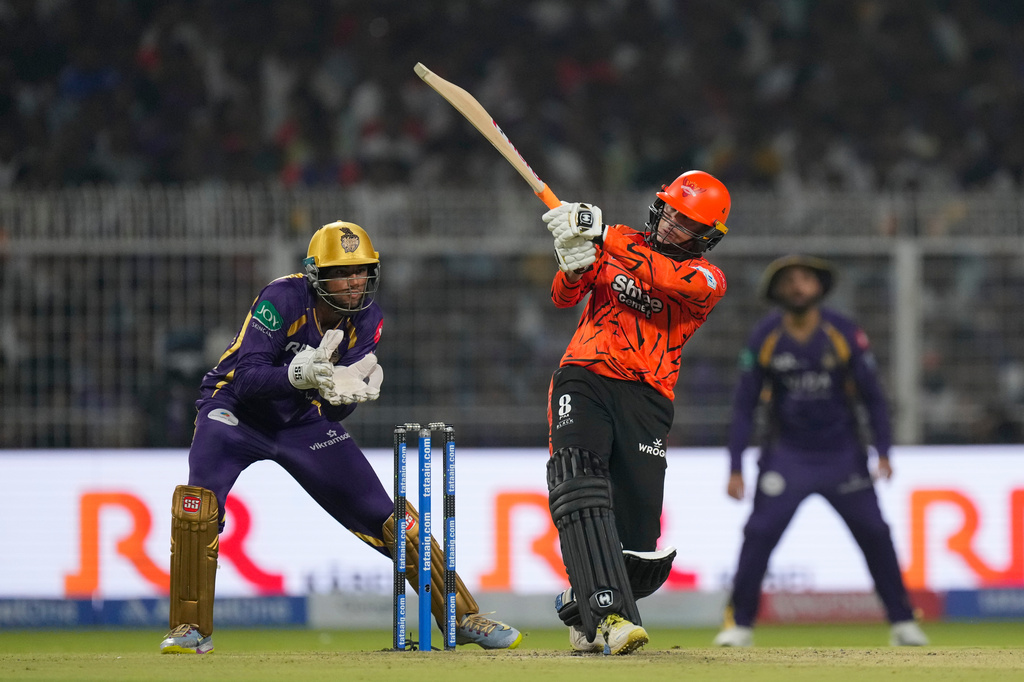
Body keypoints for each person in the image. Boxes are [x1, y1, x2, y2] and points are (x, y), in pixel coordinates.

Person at [159, 220, 521, 654]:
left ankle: (461, 618)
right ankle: (190, 628)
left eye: (362, 271)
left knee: (393, 521)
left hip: (301, 422)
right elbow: (247, 377)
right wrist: (299, 373)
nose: (355, 282)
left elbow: (332, 407)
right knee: (198, 504)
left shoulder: (369, 319)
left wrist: (347, 395)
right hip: (235, 411)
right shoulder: (283, 298)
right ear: (316, 275)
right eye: (342, 272)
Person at [541, 171, 731, 655]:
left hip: (647, 397)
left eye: (686, 223)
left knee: (643, 548)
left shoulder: (708, 279)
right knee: (579, 483)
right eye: (669, 212)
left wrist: (601, 237)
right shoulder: (617, 241)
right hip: (585, 374)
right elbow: (563, 298)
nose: (671, 226)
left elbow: (661, 275)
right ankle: (608, 615)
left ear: (706, 237)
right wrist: (574, 264)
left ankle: (580, 605)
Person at [713, 255, 928, 648]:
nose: (797, 286)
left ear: (819, 288)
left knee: (876, 533)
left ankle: (902, 621)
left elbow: (873, 397)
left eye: (806, 279)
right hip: (786, 456)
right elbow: (744, 406)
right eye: (789, 281)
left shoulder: (843, 331)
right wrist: (735, 466)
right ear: (777, 291)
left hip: (842, 455)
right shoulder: (765, 336)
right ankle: (739, 624)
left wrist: (882, 451)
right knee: (758, 533)